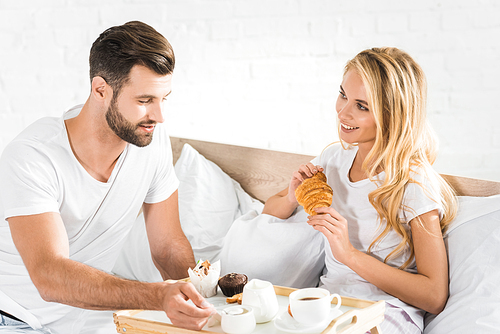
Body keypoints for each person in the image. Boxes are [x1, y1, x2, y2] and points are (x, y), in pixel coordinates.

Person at [0, 21, 215, 334]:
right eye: (144, 101)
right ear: (101, 89)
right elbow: (49, 276)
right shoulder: (33, 157)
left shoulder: (151, 140)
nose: (159, 115)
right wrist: (158, 296)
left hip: (89, 319)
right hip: (15, 319)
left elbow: (167, 247)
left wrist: (205, 298)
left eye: (163, 98)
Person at [262, 47, 458, 333]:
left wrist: (349, 255)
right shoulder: (332, 160)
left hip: (384, 314)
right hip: (328, 305)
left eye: (361, 106)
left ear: (393, 116)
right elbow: (268, 211)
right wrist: (293, 196)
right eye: (343, 95)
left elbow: (434, 296)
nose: (343, 111)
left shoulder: (413, 184)